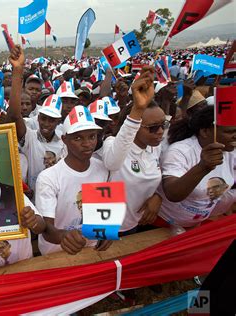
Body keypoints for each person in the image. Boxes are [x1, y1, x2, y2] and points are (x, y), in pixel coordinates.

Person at [35, 105, 113, 255]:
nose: (87, 144)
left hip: (91, 247)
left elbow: (103, 210)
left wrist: (107, 230)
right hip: (55, 252)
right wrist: (63, 236)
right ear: (64, 139)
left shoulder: (103, 169)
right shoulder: (48, 178)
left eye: (92, 136)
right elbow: (46, 229)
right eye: (78, 138)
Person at [101, 66, 165, 234]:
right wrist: (138, 109)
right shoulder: (112, 144)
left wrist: (157, 197)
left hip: (138, 223)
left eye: (162, 125)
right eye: (152, 128)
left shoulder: (155, 148)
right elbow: (112, 163)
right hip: (109, 228)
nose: (160, 132)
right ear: (136, 126)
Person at [157, 106, 236, 229]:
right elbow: (173, 194)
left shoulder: (231, 152)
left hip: (196, 225)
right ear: (205, 131)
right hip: (162, 225)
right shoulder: (180, 151)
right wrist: (203, 167)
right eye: (230, 132)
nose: (235, 136)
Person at [7, 45, 64, 192]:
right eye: (43, 118)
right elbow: (14, 115)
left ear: (58, 122)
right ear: (38, 117)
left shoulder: (64, 143)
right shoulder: (30, 139)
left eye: (52, 120)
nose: (46, 123)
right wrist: (18, 70)